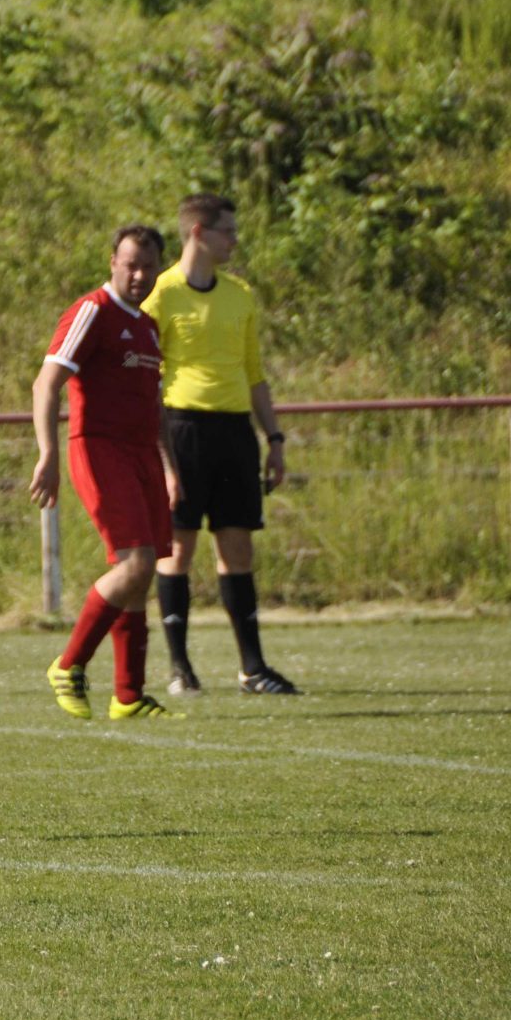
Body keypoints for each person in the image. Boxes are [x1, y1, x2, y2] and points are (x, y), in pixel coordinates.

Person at [142, 193, 300, 695]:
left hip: (234, 432)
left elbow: (255, 374)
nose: (234, 240)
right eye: (227, 231)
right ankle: (180, 669)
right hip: (181, 430)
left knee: (238, 547)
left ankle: (253, 668)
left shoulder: (240, 295)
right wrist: (161, 455)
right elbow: (144, 377)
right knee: (177, 549)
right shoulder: (160, 294)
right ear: (198, 233)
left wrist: (273, 437)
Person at [31, 224, 183, 721]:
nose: (139, 274)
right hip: (99, 450)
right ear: (112, 262)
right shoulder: (92, 310)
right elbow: (46, 383)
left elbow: (153, 405)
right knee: (136, 565)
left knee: (142, 574)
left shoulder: (147, 326)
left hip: (142, 456)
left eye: (148, 265)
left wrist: (168, 467)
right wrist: (48, 455)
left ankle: (128, 695)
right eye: (130, 263)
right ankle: (69, 664)